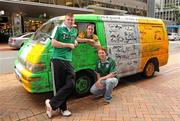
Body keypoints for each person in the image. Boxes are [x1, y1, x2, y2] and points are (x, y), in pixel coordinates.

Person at [45, 13, 78, 118]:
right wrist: (68, 45)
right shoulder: (58, 29)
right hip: (57, 59)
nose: (71, 21)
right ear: (65, 20)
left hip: (68, 59)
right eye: (69, 19)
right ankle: (63, 109)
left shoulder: (74, 30)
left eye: (72, 20)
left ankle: (51, 103)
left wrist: (75, 42)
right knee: (60, 85)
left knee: (71, 83)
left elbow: (73, 40)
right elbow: (53, 43)